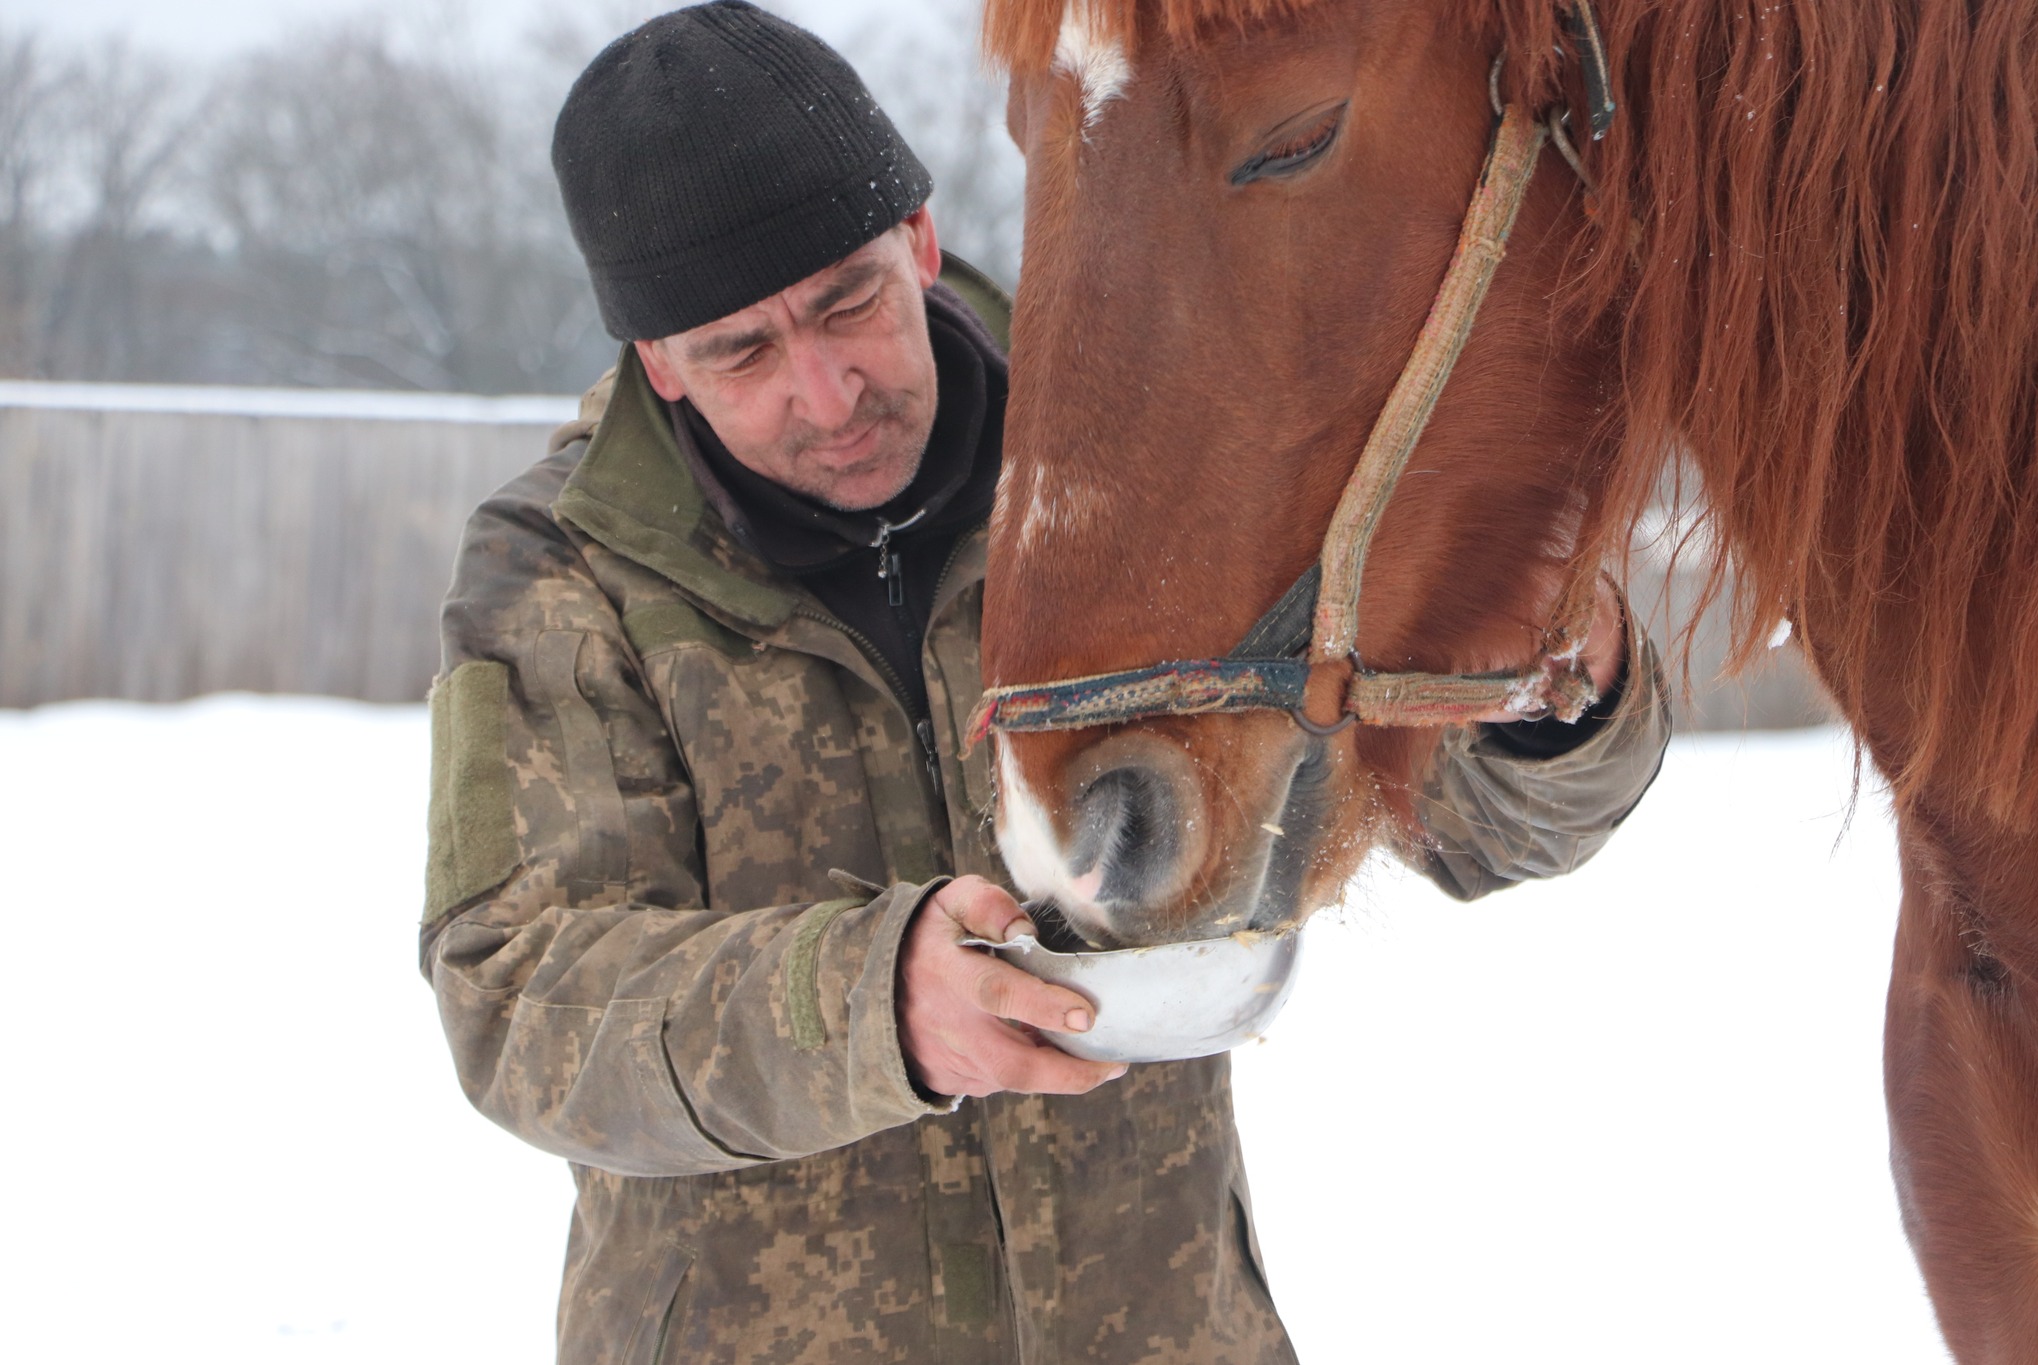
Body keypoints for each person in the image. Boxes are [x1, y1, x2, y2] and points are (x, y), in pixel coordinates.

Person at [418, 4, 1673, 1360]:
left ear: (919, 241)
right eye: (744, 352)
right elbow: (525, 998)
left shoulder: (1132, 473)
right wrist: (871, 1001)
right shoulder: (565, 568)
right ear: (657, 362)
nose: (828, 390)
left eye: (850, 303)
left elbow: (1463, 828)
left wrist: (1561, 700)